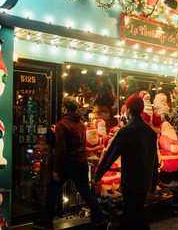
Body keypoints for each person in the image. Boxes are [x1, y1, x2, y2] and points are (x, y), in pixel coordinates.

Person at [33, 96, 111, 230]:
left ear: (64, 107)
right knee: (86, 193)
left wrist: (56, 170)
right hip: (81, 162)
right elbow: (74, 138)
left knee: (52, 188)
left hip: (69, 163)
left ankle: (47, 220)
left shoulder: (63, 125)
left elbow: (61, 150)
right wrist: (58, 131)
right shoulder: (80, 123)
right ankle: (101, 221)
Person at [94, 93, 158, 230]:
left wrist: (98, 175)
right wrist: (154, 181)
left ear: (128, 110)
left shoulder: (127, 131)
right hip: (145, 180)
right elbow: (154, 158)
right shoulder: (151, 132)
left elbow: (111, 154)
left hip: (131, 180)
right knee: (134, 211)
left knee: (134, 213)